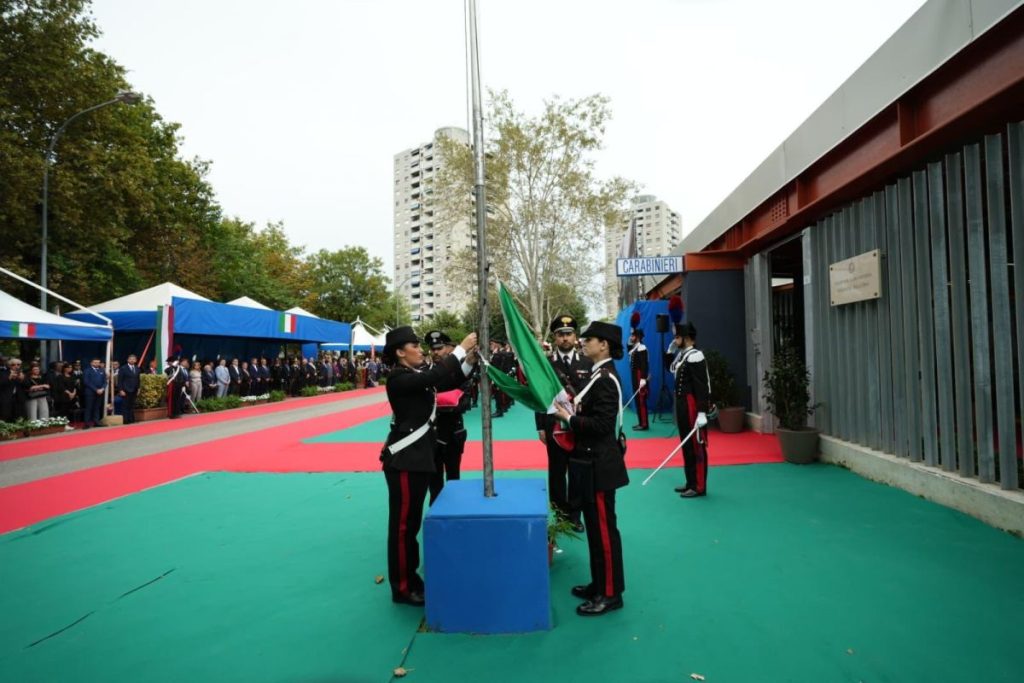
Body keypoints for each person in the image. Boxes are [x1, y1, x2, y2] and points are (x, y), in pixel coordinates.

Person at [380, 326, 478, 606]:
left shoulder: (415, 376)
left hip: (419, 459)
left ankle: (410, 578)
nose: (421, 349)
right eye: (415, 345)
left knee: (410, 525)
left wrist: (469, 360)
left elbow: (445, 382)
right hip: (405, 461)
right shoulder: (398, 378)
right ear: (400, 352)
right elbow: (436, 375)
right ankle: (401, 586)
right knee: (402, 528)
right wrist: (459, 348)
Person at [553, 320, 629, 616]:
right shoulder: (599, 373)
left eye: (589, 339)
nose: (583, 342)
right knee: (595, 531)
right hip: (588, 461)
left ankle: (610, 593)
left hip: (599, 463)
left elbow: (601, 426)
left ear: (604, 345)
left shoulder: (606, 378)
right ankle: (600, 582)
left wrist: (568, 419)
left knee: (604, 531)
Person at [537, 315, 593, 532]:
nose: (565, 338)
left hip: (579, 426)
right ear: (555, 337)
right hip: (554, 426)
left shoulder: (587, 363)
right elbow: (540, 396)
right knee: (557, 472)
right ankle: (560, 515)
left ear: (575, 336)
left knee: (578, 471)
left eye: (568, 334)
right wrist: (540, 426)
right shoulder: (547, 365)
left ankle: (575, 515)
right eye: (560, 334)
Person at [423, 331, 471, 505]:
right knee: (434, 482)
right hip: (431, 435)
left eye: (440, 348)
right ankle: (436, 516)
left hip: (452, 432)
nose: (436, 352)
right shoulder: (424, 371)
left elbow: (464, 401)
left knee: (453, 479)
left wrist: (438, 402)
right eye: (433, 349)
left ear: (449, 348)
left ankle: (454, 513)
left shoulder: (459, 370)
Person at [667, 322, 711, 498]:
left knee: (696, 445)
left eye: (677, 337)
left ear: (685, 338)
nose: (674, 339)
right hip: (682, 404)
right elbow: (671, 370)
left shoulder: (695, 356)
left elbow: (702, 386)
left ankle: (699, 485)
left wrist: (701, 411)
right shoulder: (683, 355)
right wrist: (670, 352)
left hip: (692, 405)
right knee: (686, 444)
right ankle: (690, 481)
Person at [628, 328, 650, 431]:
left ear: (638, 337)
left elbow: (644, 364)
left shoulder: (642, 347)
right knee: (637, 400)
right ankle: (641, 422)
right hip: (634, 375)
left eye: (633, 336)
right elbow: (628, 348)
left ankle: (644, 424)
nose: (631, 337)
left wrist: (643, 378)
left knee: (641, 400)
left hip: (639, 375)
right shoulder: (635, 348)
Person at [83, 357, 107, 428]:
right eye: (95, 362)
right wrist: (96, 389)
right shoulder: (87, 370)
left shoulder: (102, 370)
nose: (97, 364)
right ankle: (87, 423)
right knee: (89, 407)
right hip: (90, 392)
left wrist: (102, 388)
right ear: (91, 363)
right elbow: (86, 382)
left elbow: (105, 381)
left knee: (97, 407)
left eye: (98, 362)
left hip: (100, 391)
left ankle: (96, 422)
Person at [117, 354, 141, 424]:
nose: (132, 360)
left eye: (134, 359)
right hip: (125, 390)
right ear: (128, 360)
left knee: (132, 405)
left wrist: (138, 388)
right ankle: (126, 420)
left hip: (134, 390)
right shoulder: (123, 368)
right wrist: (121, 390)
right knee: (125, 406)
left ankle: (132, 419)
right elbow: (120, 380)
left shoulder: (137, 368)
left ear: (136, 360)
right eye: (131, 359)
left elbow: (138, 380)